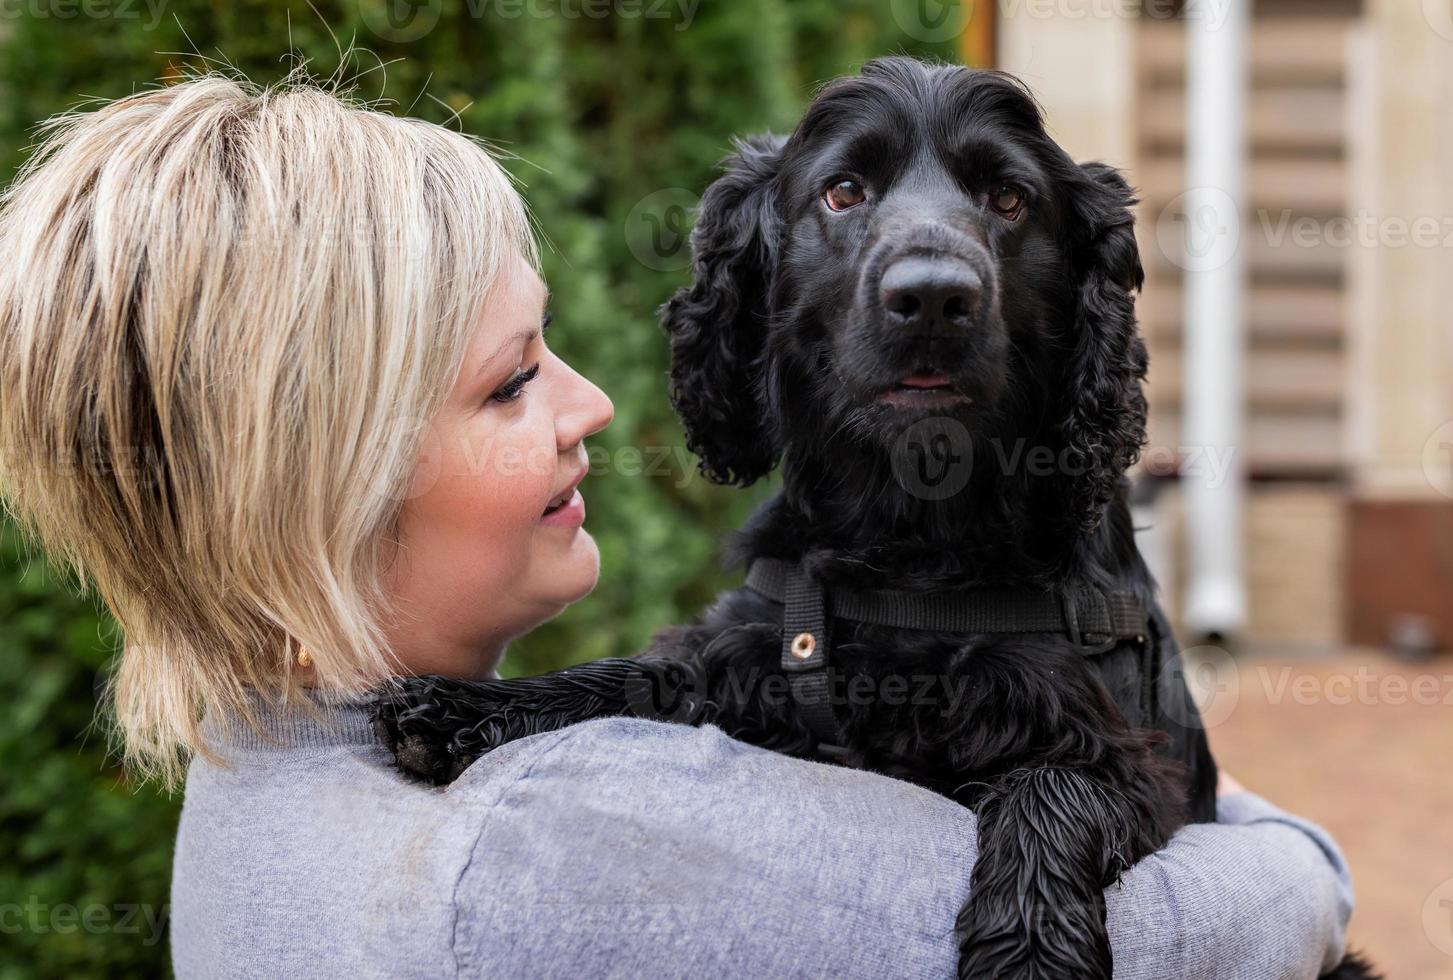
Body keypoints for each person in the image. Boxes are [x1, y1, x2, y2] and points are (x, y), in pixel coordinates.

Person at [0, 72, 1353, 979]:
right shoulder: (565, 848)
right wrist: (1289, 849)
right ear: (319, 474)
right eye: (512, 377)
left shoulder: (251, 766)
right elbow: (1224, 923)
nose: (589, 402)